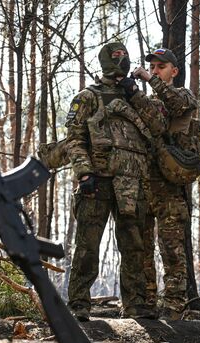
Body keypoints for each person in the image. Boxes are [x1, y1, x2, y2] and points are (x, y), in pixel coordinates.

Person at [65, 42, 163, 321]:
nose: (120, 63)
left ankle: (135, 304)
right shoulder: (88, 97)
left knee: (134, 246)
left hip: (133, 183)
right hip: (97, 181)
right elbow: (75, 139)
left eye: (124, 58)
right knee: (87, 245)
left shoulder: (138, 98)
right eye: (115, 58)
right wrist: (84, 173)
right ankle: (79, 304)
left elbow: (158, 127)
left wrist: (136, 94)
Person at [131, 48, 199, 317]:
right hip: (145, 182)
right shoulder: (150, 103)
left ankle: (174, 306)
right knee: (143, 247)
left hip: (170, 187)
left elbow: (176, 106)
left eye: (161, 67)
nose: (156, 70)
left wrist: (149, 79)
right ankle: (147, 304)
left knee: (171, 248)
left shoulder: (183, 96)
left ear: (174, 71)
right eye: (153, 67)